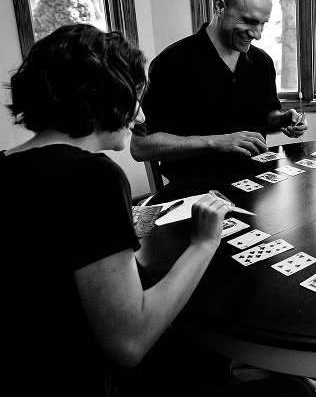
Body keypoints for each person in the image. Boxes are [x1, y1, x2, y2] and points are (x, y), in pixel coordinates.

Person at [0, 24, 231, 395]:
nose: (140, 118)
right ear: (106, 98)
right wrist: (203, 244)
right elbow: (130, 342)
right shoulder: (93, 177)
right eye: (135, 99)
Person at [130, 0, 307, 182]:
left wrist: (283, 120)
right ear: (219, 6)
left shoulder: (263, 63)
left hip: (257, 182)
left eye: (262, 24)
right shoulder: (171, 63)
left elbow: (265, 118)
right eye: (248, 21)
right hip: (194, 189)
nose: (257, 34)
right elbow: (140, 146)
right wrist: (215, 142)